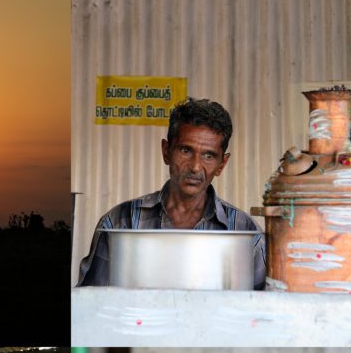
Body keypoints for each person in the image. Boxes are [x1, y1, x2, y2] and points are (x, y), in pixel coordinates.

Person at [77, 97, 266, 289]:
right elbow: (91, 303)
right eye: (185, 150)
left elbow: (263, 309)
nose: (195, 167)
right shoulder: (119, 222)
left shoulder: (247, 234)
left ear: (222, 164)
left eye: (209, 155)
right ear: (166, 151)